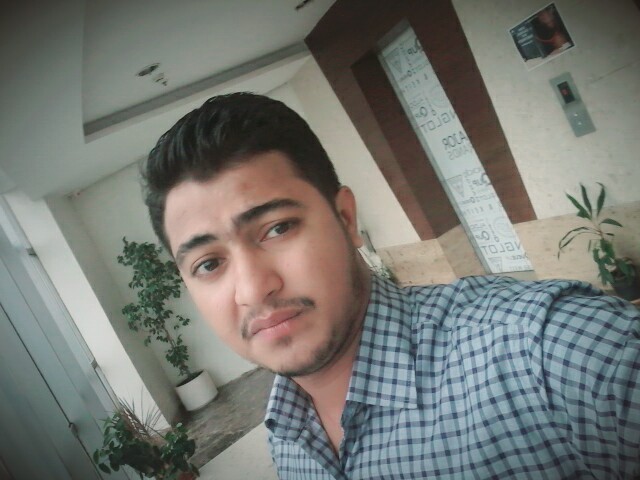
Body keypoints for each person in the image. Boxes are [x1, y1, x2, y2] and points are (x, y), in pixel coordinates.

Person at [142, 92, 640, 479]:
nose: (253, 289)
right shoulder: (286, 433)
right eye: (209, 263)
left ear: (346, 218)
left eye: (278, 228)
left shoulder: (546, 351)